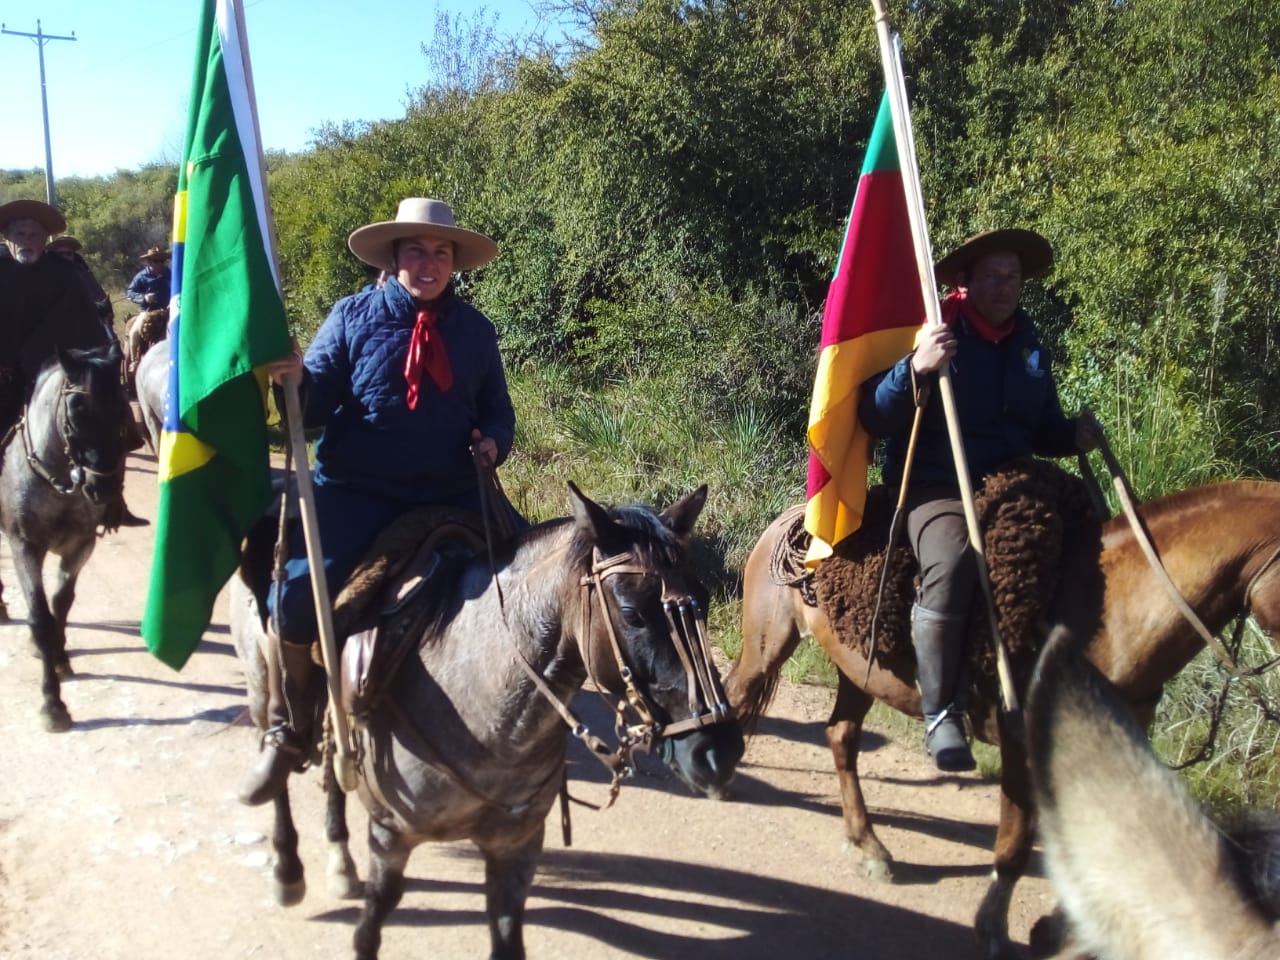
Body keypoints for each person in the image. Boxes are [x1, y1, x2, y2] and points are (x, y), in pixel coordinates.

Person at [239, 197, 520, 806]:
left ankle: (518, 724)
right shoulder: (352, 317)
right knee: (292, 601)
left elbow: (499, 409)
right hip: (358, 490)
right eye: (416, 251)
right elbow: (310, 412)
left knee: (535, 583)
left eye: (440, 252)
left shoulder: (476, 330)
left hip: (453, 491)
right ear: (394, 259)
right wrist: (295, 378)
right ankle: (290, 729)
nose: (429, 263)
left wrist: (494, 443)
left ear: (455, 263)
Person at [858, 229, 1102, 772]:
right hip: (936, 483)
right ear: (966, 282)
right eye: (991, 276)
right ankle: (942, 712)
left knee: (1092, 539)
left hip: (1011, 480)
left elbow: (1040, 429)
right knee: (954, 559)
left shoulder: (1028, 341)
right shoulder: (932, 328)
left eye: (1012, 276)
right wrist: (915, 367)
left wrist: (1071, 435)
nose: (1004, 286)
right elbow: (873, 414)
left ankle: (1071, 686)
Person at [0, 200, 148, 527]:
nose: (27, 240)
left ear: (44, 239)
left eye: (34, 235)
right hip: (4, 376)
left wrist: (85, 369)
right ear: (7, 237)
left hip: (59, 372)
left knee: (110, 419)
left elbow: (84, 327)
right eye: (20, 234)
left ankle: (113, 502)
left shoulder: (65, 274)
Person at [48, 235, 118, 344]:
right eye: (60, 254)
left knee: (112, 343)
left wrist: (105, 310)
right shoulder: (47, 276)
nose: (65, 256)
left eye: (68, 253)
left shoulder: (84, 273)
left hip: (90, 324)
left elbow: (100, 295)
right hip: (61, 330)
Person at [124, 247, 171, 376]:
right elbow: (130, 293)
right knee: (134, 332)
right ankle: (134, 361)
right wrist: (143, 297)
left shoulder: (171, 275)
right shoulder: (141, 276)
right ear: (149, 262)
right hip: (148, 312)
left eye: (162, 261)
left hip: (169, 310)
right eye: (155, 261)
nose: (159, 264)